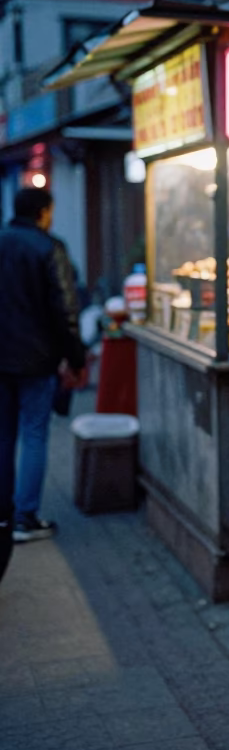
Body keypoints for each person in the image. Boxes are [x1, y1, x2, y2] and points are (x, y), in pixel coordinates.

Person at [0, 187, 87, 565]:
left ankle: (4, 515)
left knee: (3, 436)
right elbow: (66, 308)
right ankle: (25, 517)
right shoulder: (49, 247)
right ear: (44, 213)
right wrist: (75, 358)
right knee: (34, 434)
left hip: (1, 361)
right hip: (36, 360)